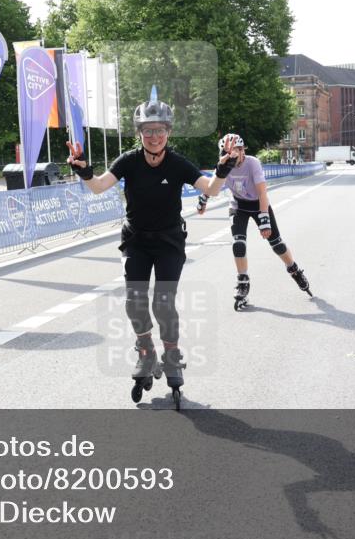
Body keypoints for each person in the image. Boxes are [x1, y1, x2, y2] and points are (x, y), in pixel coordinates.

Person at [66, 89, 232, 408]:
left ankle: (172, 354)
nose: (154, 136)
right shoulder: (129, 161)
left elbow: (210, 188)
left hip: (169, 241)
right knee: (134, 302)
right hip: (138, 240)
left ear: (168, 132)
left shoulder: (178, 164)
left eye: (160, 130)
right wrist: (82, 169)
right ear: (139, 133)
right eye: (148, 130)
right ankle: (146, 351)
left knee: (164, 303)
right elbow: (100, 186)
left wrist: (223, 169)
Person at [196, 133, 311, 311]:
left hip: (259, 205)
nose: (237, 154)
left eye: (240, 150)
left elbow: (263, 193)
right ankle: (243, 282)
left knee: (277, 245)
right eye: (232, 151)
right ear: (224, 153)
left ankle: (294, 269)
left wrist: (264, 220)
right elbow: (214, 184)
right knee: (238, 244)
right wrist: (203, 200)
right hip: (238, 206)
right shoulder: (224, 163)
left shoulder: (253, 163)